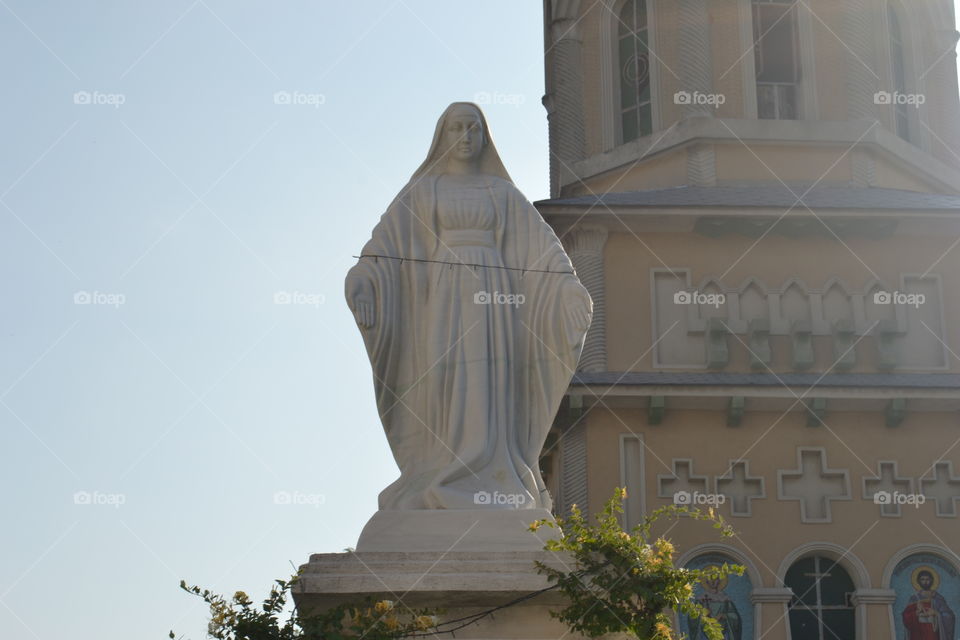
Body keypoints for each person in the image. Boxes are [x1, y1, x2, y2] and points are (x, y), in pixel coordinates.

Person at [345, 102, 592, 511]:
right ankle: (439, 468)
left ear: (483, 137)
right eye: (457, 128)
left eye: (473, 128)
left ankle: (493, 473)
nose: (465, 136)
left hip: (496, 296)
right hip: (442, 296)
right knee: (443, 379)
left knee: (490, 380)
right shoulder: (424, 192)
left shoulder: (504, 194)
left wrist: (566, 289)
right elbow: (383, 248)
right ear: (443, 136)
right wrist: (365, 280)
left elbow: (545, 253)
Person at [902, 568, 956, 640]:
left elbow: (949, 616)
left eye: (927, 579)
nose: (925, 582)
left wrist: (936, 613)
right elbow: (906, 615)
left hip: (933, 633)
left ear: (932, 581)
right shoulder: (914, 598)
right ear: (918, 581)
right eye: (923, 579)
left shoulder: (938, 598)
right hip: (918, 633)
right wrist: (916, 613)